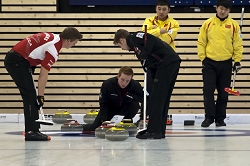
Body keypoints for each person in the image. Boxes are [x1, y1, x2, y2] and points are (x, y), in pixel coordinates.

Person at [4, 27, 82, 141]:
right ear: (69, 40)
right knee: (30, 96)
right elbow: (43, 75)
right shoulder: (53, 49)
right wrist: (41, 96)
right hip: (18, 61)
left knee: (30, 95)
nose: (73, 46)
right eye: (74, 43)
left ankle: (33, 129)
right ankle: (32, 132)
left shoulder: (53, 37)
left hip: (21, 60)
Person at [113, 29, 181, 139]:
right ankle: (159, 130)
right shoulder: (135, 46)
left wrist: (144, 54)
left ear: (122, 40)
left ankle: (153, 130)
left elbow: (150, 39)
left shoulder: (134, 37)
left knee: (156, 98)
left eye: (120, 46)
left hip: (166, 63)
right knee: (161, 98)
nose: (122, 49)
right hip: (167, 63)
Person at [197, 0, 243, 128]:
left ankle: (220, 119)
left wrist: (237, 60)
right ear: (216, 8)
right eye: (221, 8)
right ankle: (209, 117)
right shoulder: (207, 24)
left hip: (226, 63)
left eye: (226, 9)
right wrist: (203, 59)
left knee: (223, 93)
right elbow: (201, 42)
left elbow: (237, 45)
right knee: (208, 90)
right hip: (209, 63)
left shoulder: (234, 25)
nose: (223, 11)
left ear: (229, 11)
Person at [136, 0, 180, 126]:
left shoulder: (174, 23)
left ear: (169, 10)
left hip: (167, 62)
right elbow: (145, 36)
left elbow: (166, 39)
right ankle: (144, 117)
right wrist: (161, 30)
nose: (161, 12)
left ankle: (160, 118)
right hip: (151, 60)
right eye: (159, 9)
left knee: (163, 91)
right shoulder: (148, 21)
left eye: (164, 9)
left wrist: (155, 30)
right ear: (156, 9)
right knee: (149, 90)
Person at [82, 66, 144, 131]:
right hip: (110, 109)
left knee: (135, 104)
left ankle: (126, 122)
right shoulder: (107, 84)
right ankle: (81, 126)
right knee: (94, 128)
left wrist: (132, 97)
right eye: (122, 79)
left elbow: (145, 99)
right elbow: (104, 104)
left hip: (125, 109)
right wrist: (104, 120)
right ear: (118, 76)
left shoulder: (135, 85)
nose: (124, 83)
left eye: (127, 81)